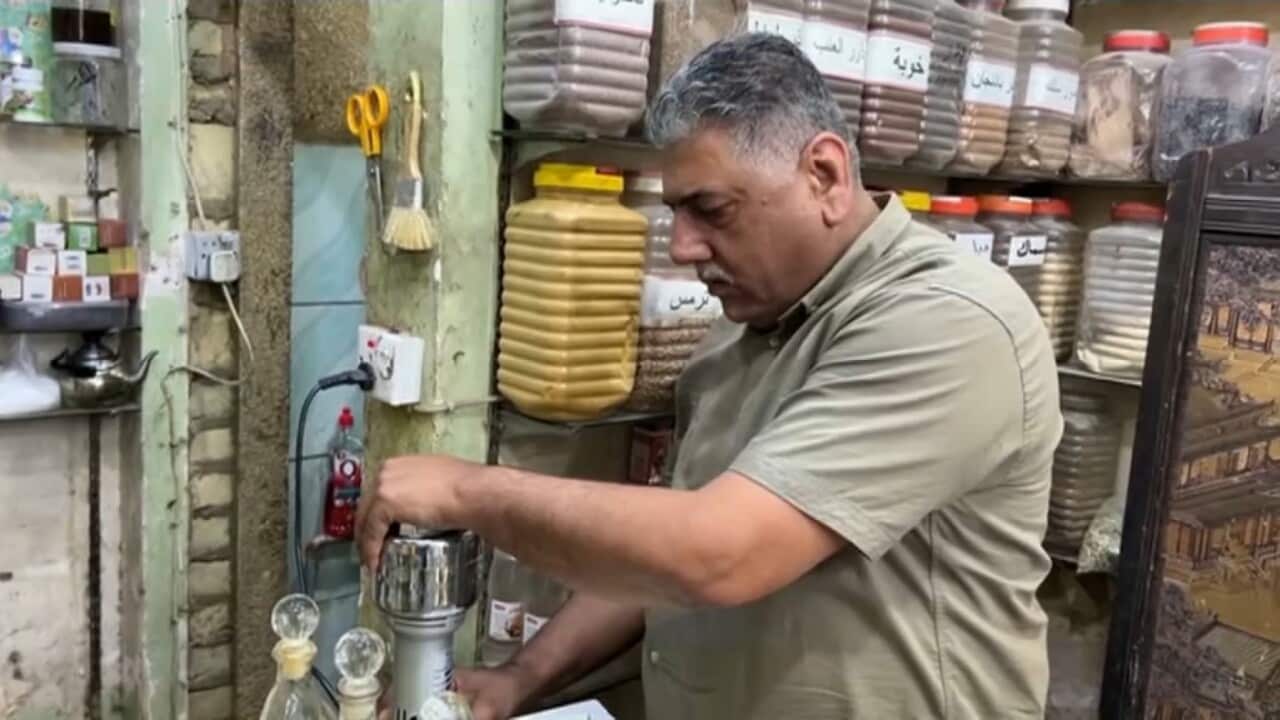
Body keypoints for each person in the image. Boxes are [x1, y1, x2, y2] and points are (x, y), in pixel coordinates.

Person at [357, 33, 1062, 720]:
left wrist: (468, 490)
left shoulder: (947, 322)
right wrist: (522, 680)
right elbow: (661, 552)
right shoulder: (744, 326)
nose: (685, 247)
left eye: (711, 209)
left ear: (825, 175)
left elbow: (715, 552)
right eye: (675, 212)